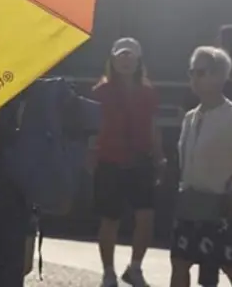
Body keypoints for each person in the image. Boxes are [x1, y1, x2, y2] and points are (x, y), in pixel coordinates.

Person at [169, 46, 232, 287]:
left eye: (200, 72)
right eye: (191, 72)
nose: (193, 78)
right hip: (191, 204)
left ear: (219, 76)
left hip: (222, 207)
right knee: (180, 262)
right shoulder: (190, 117)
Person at [89, 37, 163, 287]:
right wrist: (91, 155)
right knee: (110, 219)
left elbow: (153, 125)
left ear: (138, 60)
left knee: (146, 216)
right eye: (121, 56)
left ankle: (135, 267)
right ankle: (108, 271)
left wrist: (159, 154)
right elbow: (92, 127)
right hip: (110, 159)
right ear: (112, 59)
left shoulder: (148, 91)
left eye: (130, 56)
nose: (125, 61)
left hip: (141, 159)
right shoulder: (101, 91)